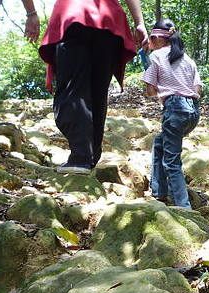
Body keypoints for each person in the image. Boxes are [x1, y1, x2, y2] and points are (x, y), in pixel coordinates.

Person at [22, 0, 147, 174]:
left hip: (71, 15)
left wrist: (31, 14)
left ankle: (80, 158)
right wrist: (139, 23)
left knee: (72, 87)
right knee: (98, 90)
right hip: (109, 21)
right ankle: (90, 157)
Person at [141, 18, 202, 209]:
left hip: (175, 109)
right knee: (160, 142)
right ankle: (160, 191)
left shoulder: (157, 56)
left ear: (157, 39)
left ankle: (184, 208)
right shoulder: (188, 59)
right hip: (192, 112)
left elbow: (150, 91)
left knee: (172, 162)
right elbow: (198, 88)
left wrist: (145, 57)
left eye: (151, 39)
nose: (150, 43)